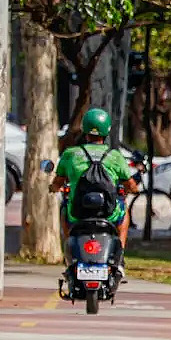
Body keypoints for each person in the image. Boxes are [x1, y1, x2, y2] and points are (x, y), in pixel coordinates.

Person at [49, 108, 140, 261]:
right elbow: (130, 185)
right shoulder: (115, 156)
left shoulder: (71, 154)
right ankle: (120, 256)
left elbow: (58, 182)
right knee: (124, 213)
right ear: (107, 131)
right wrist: (133, 189)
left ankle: (69, 251)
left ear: (84, 130)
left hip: (77, 213)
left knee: (65, 210)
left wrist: (53, 188)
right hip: (109, 213)